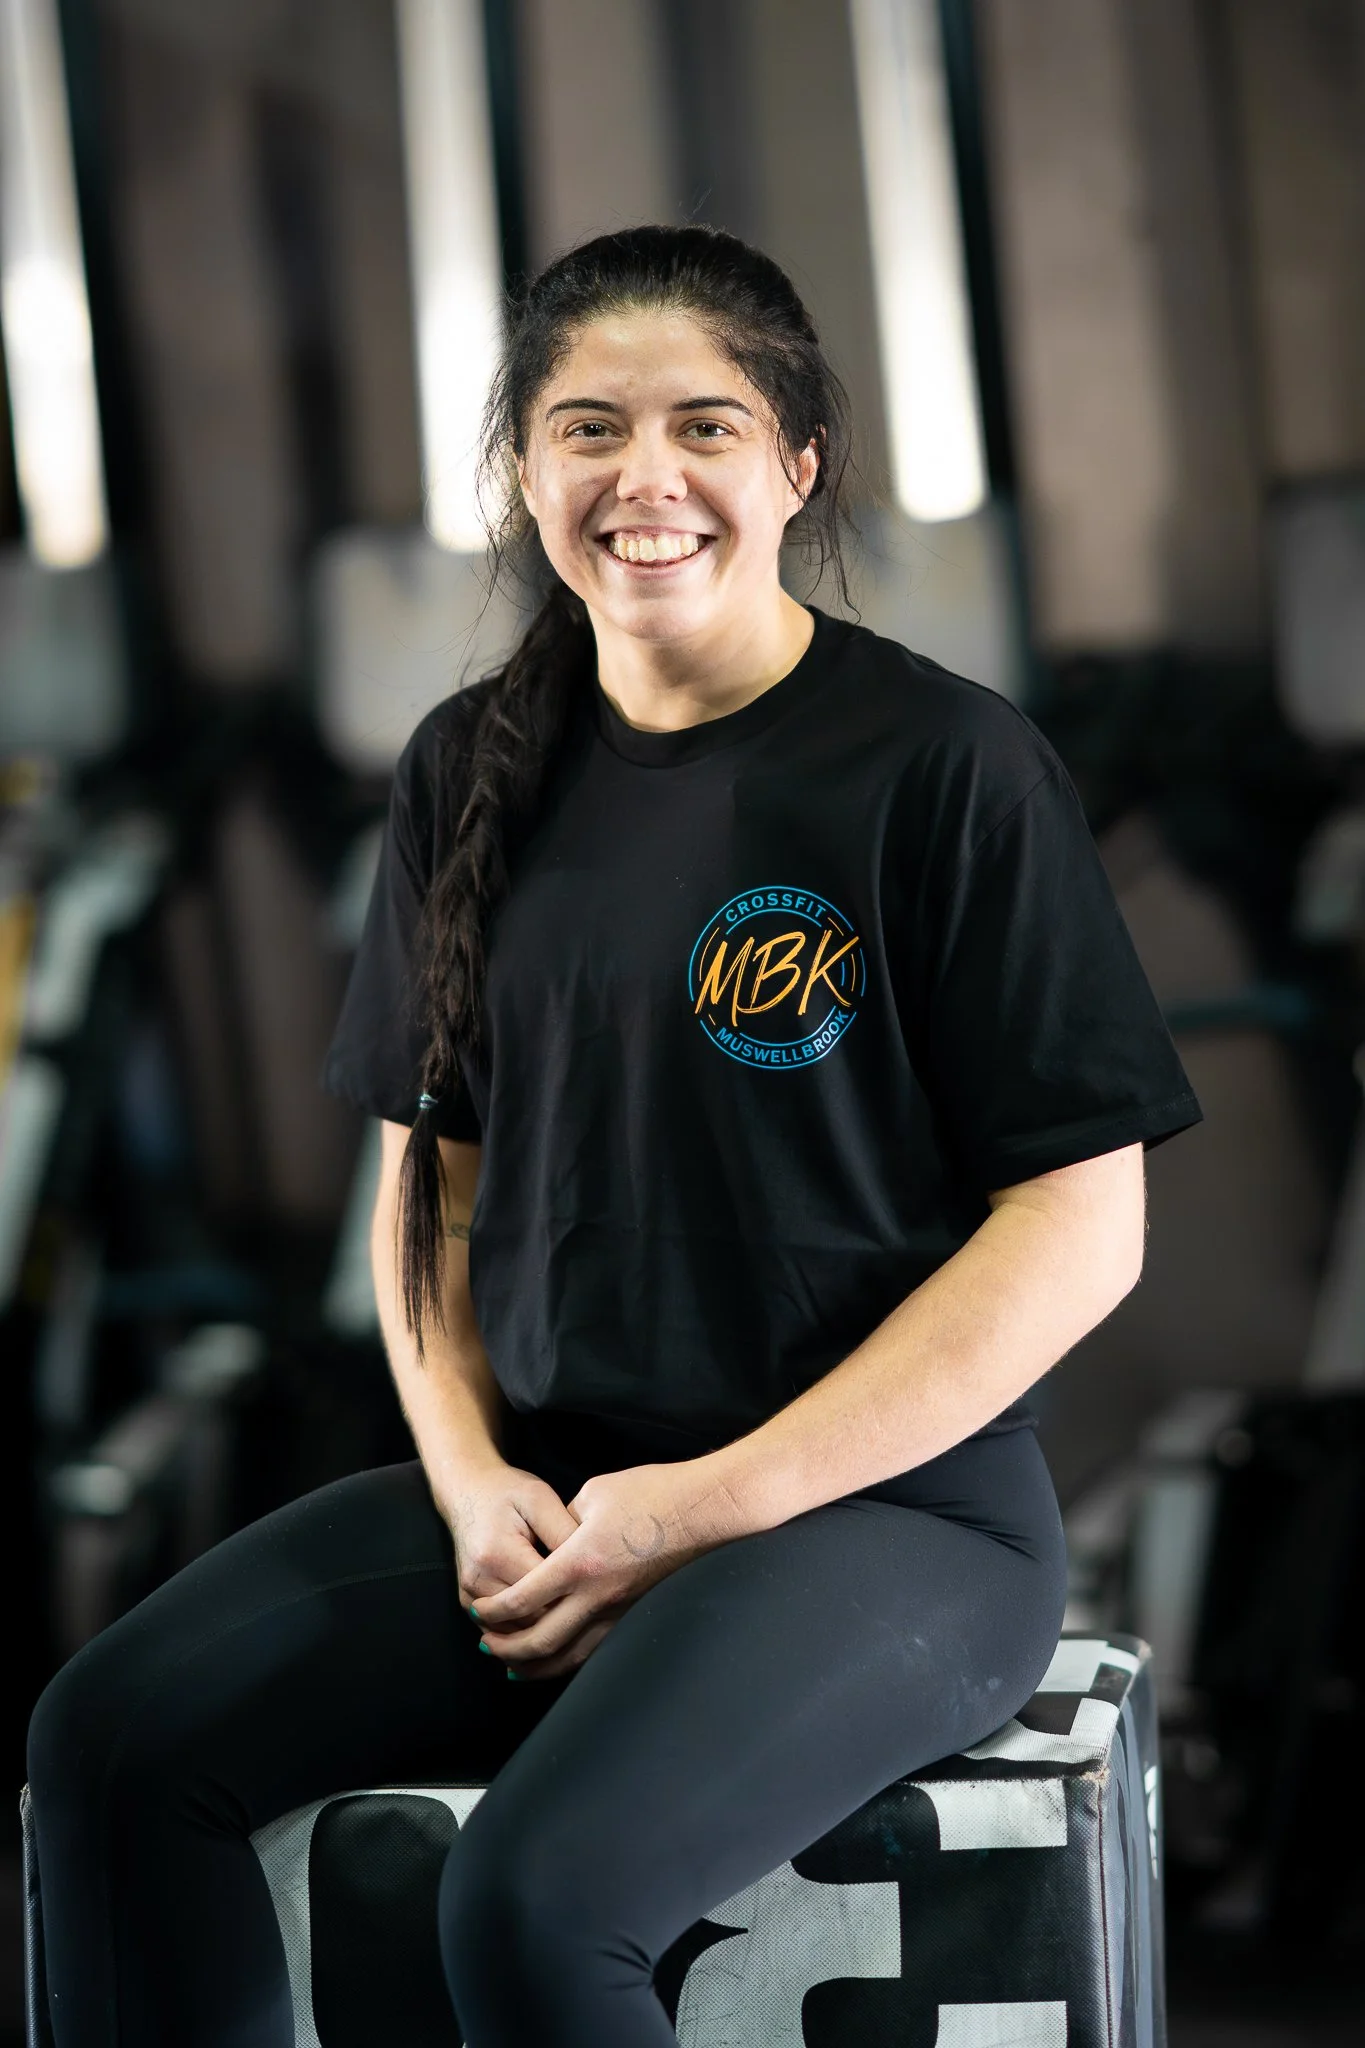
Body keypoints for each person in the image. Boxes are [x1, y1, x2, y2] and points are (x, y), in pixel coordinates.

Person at [27, 223, 1203, 2047]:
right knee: (106, 1742)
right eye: (586, 429)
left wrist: (702, 1507)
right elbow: (434, 1194)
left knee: (535, 1903)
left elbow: (1081, 1228)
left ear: (794, 465)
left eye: (704, 427)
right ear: (521, 471)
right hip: (563, 1504)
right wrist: (472, 1477)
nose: (643, 479)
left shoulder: (943, 768)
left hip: (889, 1521)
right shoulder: (467, 764)